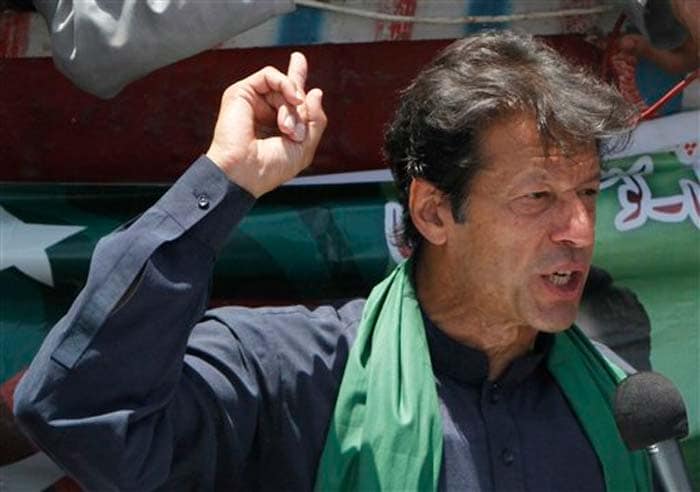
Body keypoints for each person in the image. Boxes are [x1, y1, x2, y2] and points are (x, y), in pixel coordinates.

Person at [14, 31, 651, 491]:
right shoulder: (292, 376)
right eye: (538, 196)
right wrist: (222, 183)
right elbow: (78, 412)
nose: (578, 229)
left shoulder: (616, 399)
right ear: (432, 214)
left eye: (588, 193)